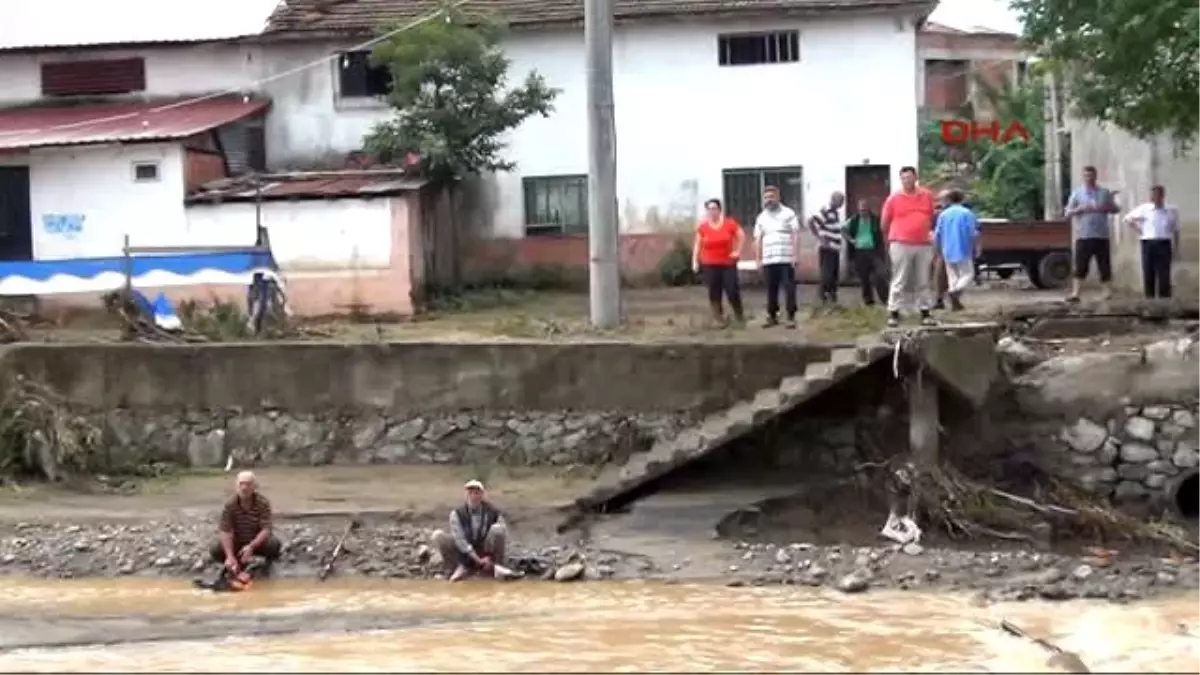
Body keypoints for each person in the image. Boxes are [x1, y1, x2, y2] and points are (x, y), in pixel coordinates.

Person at [431, 480, 521, 582]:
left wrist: (487, 559)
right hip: (465, 552)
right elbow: (461, 541)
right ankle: (453, 569)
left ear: (482, 495)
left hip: (486, 549)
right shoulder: (456, 514)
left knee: (498, 529)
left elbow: (504, 533)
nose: (473, 496)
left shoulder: (493, 511)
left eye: (476, 493)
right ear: (465, 495)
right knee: (437, 535)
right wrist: (478, 560)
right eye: (470, 493)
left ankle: (496, 565)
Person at [881, 166, 937, 328]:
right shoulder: (894, 198)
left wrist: (930, 232)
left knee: (923, 278)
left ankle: (925, 312)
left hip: (923, 243)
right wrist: (893, 238)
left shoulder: (926, 195)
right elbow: (884, 223)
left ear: (915, 178)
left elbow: (932, 216)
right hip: (901, 243)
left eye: (910, 177)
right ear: (901, 180)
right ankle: (893, 313)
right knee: (900, 278)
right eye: (904, 178)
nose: (907, 181)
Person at [209, 471, 283, 574]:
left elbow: (266, 529)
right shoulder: (230, 505)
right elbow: (225, 531)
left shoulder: (262, 503)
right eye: (241, 484)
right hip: (237, 541)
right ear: (236, 486)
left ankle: (265, 566)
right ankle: (234, 563)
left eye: (248, 484)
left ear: (254, 486)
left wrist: (251, 546)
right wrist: (230, 556)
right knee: (215, 548)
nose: (244, 488)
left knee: (274, 544)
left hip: (257, 542)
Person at [1065, 166, 1119, 302]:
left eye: (1091, 176)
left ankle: (1107, 292)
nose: (1089, 178)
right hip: (1084, 234)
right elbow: (1067, 213)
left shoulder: (1104, 192)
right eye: (1086, 176)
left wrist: (1105, 207)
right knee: (1081, 264)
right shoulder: (1077, 193)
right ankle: (1076, 293)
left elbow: (1115, 209)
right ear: (1083, 177)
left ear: (1096, 176)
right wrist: (1079, 209)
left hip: (1101, 235)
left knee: (1104, 264)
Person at [692, 198, 745, 326]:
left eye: (714, 208)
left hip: (728, 264)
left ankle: (739, 315)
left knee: (732, 289)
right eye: (709, 209)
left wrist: (738, 251)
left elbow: (741, 235)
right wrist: (695, 261)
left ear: (720, 210)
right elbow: (697, 245)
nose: (712, 211)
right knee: (714, 291)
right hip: (709, 264)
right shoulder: (703, 227)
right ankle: (719, 319)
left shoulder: (729, 223)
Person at [753, 186, 801, 327]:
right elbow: (757, 239)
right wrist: (758, 259)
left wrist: (795, 255)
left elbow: (795, 234)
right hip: (769, 259)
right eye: (767, 197)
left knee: (789, 288)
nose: (769, 200)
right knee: (770, 289)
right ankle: (772, 316)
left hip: (786, 259)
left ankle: (791, 317)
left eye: (772, 196)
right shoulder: (761, 217)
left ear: (778, 197)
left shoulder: (788, 213)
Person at [1123, 185, 1180, 299]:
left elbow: (1176, 229)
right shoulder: (1144, 208)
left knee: (1164, 273)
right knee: (1148, 271)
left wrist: (1176, 247)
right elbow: (1127, 218)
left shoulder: (1171, 210)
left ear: (1162, 196)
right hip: (1148, 243)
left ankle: (1165, 300)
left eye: (1158, 195)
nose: (1155, 198)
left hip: (1164, 243)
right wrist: (1138, 229)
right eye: (1153, 195)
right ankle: (1150, 298)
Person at [933, 188, 980, 311]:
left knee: (952, 276)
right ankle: (954, 292)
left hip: (947, 249)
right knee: (968, 274)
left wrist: (937, 248)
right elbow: (973, 232)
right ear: (962, 199)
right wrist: (977, 247)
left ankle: (955, 303)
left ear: (949, 199)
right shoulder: (967, 213)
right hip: (963, 248)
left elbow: (937, 233)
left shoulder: (943, 214)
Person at [843, 198, 889, 306]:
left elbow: (883, 231)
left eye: (864, 210)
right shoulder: (854, 220)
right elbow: (843, 230)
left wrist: (885, 246)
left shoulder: (875, 219)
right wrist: (851, 240)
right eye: (860, 210)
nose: (862, 212)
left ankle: (885, 299)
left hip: (874, 251)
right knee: (864, 278)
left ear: (868, 209)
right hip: (860, 252)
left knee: (880, 274)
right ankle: (868, 301)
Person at [808, 191, 846, 306]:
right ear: (834, 199)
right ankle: (822, 297)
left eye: (842, 201)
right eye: (841, 201)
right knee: (827, 274)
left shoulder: (835, 213)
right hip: (827, 248)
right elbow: (811, 221)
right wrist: (820, 238)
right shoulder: (826, 210)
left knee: (834, 274)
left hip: (834, 248)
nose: (842, 204)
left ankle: (832, 297)